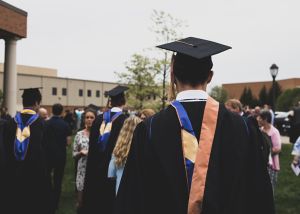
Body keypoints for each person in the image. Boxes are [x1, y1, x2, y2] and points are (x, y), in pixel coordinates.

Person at [114, 37, 275, 214]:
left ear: (173, 74)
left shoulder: (150, 129)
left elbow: (133, 200)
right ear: (210, 76)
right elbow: (259, 195)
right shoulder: (242, 127)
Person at [82, 85, 129, 214]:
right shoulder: (125, 121)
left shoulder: (98, 119)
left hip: (95, 167)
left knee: (96, 200)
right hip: (113, 171)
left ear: (110, 101)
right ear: (123, 101)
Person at [3, 87, 49, 213]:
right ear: (36, 103)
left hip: (13, 173)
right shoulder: (42, 124)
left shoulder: (9, 123)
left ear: (23, 102)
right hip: (35, 175)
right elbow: (46, 151)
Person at [44, 103, 72, 213]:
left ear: (52, 111)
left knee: (47, 177)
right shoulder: (65, 125)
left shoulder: (46, 124)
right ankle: (55, 202)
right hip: (60, 155)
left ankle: (48, 198)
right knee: (58, 179)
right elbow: (69, 142)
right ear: (61, 112)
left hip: (48, 154)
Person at [108, 115, 142, 194]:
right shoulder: (142, 147)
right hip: (137, 189)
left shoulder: (119, 149)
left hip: (120, 189)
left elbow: (111, 174)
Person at [73, 108, 96, 213]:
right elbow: (74, 155)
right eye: (87, 117)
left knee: (92, 202)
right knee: (80, 202)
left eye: (92, 117)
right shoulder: (79, 135)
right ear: (84, 120)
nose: (89, 119)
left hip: (94, 171)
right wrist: (81, 153)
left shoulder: (99, 135)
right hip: (82, 171)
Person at [257, 110, 282, 194]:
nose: (258, 119)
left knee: (270, 188)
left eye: (260, 118)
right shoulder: (260, 130)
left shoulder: (274, 132)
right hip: (261, 164)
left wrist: (266, 152)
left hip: (271, 165)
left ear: (266, 119)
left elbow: (278, 149)